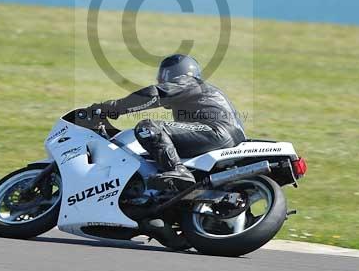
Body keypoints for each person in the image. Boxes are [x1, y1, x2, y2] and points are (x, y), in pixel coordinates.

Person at [90, 54, 246, 191]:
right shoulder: (198, 93)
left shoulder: (189, 82)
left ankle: (179, 171)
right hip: (226, 137)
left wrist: (112, 108)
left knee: (149, 127)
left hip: (216, 131)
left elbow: (155, 94)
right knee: (158, 147)